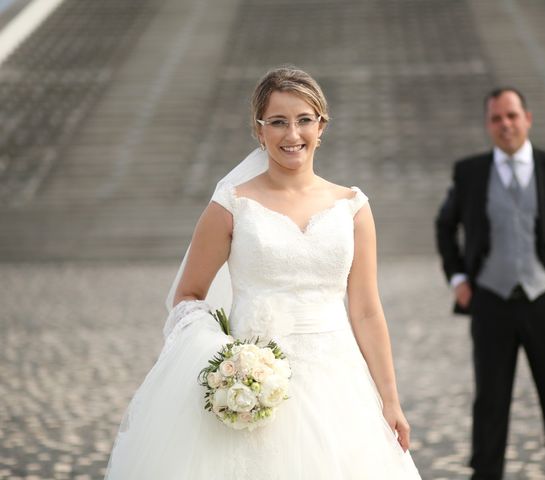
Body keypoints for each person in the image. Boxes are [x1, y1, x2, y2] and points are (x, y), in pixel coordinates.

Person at [105, 66, 421, 479]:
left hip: (338, 384)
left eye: (304, 120)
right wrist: (225, 360)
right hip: (251, 384)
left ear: (321, 126)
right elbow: (189, 296)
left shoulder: (353, 207)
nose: (292, 135)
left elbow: (365, 311)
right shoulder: (232, 205)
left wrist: (390, 400)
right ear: (259, 131)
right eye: (278, 122)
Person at [435, 87, 545, 480]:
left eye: (512, 116)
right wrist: (459, 276)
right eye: (497, 118)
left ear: (527, 118)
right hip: (490, 301)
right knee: (490, 403)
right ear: (488, 124)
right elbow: (445, 226)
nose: (505, 125)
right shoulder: (470, 172)